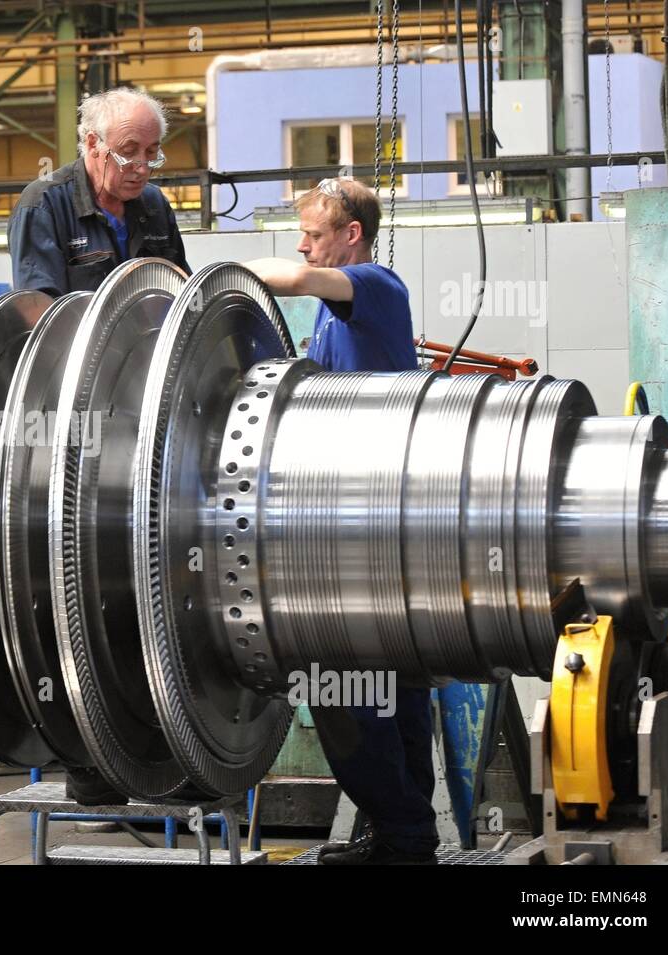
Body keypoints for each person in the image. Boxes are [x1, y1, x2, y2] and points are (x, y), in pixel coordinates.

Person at [244, 177, 438, 865]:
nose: (303, 244)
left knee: (343, 688)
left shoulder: (376, 287)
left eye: (316, 232)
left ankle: (403, 831)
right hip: (363, 516)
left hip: (374, 519)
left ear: (351, 235)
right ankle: (403, 834)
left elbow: (296, 276)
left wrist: (218, 279)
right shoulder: (333, 320)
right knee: (392, 686)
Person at [8, 87, 190, 297]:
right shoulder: (44, 205)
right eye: (128, 153)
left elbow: (180, 290)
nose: (142, 169)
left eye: (151, 153)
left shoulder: (154, 204)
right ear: (93, 143)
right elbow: (40, 309)